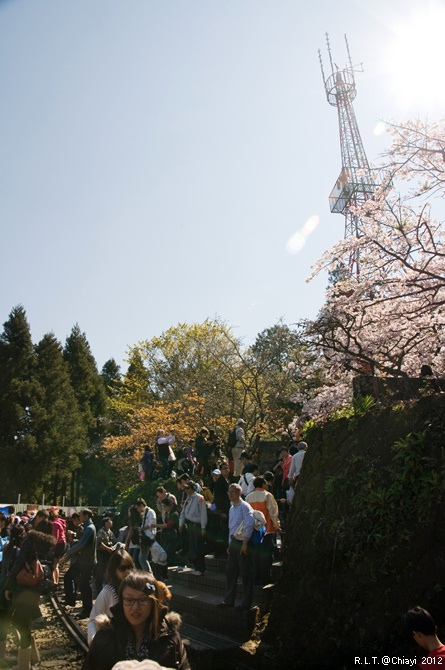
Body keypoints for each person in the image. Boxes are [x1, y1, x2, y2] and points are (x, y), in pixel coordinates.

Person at [82, 571, 190, 670]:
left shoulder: (169, 638)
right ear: (121, 602)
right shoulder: (105, 637)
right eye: (129, 600)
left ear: (153, 603)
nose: (135, 607)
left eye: (143, 600)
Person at [4, 513, 55, 670]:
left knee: (20, 624)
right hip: (35, 587)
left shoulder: (29, 540)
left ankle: (23, 665)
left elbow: (19, 563)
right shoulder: (47, 544)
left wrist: (7, 585)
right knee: (24, 623)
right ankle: (33, 657)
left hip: (23, 587)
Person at [217, 483, 255, 611]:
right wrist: (229, 543)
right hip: (233, 542)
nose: (230, 494)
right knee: (230, 572)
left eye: (232, 492)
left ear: (239, 492)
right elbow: (231, 527)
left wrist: (245, 543)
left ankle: (245, 602)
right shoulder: (231, 508)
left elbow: (250, 524)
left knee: (245, 572)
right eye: (229, 492)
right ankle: (229, 600)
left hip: (242, 542)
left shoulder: (244, 506)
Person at [87, 548, 134, 645]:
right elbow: (93, 620)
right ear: (114, 570)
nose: (127, 572)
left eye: (130, 567)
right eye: (122, 568)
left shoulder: (137, 589)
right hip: (115, 644)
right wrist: (94, 641)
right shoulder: (107, 592)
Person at [246, 476, 281, 585]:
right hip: (267, 530)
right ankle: (265, 578)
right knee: (266, 555)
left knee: (255, 556)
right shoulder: (267, 495)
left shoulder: (248, 497)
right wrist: (277, 525)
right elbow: (273, 512)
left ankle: (256, 578)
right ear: (263, 484)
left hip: (253, 531)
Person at [66, 508, 97, 619]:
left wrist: (68, 552)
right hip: (83, 559)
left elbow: (81, 545)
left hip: (86, 561)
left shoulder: (89, 528)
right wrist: (74, 540)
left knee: (85, 586)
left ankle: (87, 610)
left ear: (86, 516)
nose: (79, 517)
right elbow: (82, 542)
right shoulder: (88, 527)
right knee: (69, 577)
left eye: (81, 515)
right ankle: (71, 601)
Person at [179, 482, 207, 576]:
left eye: (188, 488)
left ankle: (201, 568)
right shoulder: (188, 498)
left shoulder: (200, 498)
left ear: (192, 488)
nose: (186, 490)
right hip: (190, 525)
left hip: (197, 525)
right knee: (192, 546)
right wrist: (181, 523)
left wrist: (203, 526)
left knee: (198, 546)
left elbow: (203, 513)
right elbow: (183, 511)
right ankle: (195, 567)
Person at [95, 517, 118, 595]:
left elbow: (114, 541)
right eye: (109, 521)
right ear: (105, 523)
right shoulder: (101, 531)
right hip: (101, 553)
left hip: (108, 554)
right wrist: (108, 549)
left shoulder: (110, 532)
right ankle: (98, 589)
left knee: (106, 570)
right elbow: (99, 543)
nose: (111, 522)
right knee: (100, 571)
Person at [155, 499, 179, 566]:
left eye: (164, 506)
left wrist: (155, 525)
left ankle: (180, 563)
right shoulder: (167, 514)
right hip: (167, 536)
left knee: (168, 552)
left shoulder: (174, 514)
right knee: (164, 552)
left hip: (174, 536)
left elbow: (168, 525)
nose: (163, 508)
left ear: (170, 505)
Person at [135, 499, 156, 575]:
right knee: (142, 557)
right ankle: (148, 573)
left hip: (148, 537)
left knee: (142, 558)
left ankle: (149, 574)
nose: (137, 510)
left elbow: (152, 524)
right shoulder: (144, 513)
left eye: (137, 508)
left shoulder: (150, 512)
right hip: (144, 537)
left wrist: (142, 528)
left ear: (141, 505)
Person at [48, 508, 67, 585]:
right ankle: (56, 581)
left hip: (58, 545)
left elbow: (55, 537)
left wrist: (52, 547)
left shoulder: (54, 524)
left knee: (53, 565)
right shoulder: (60, 522)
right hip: (63, 544)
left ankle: (54, 582)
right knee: (56, 565)